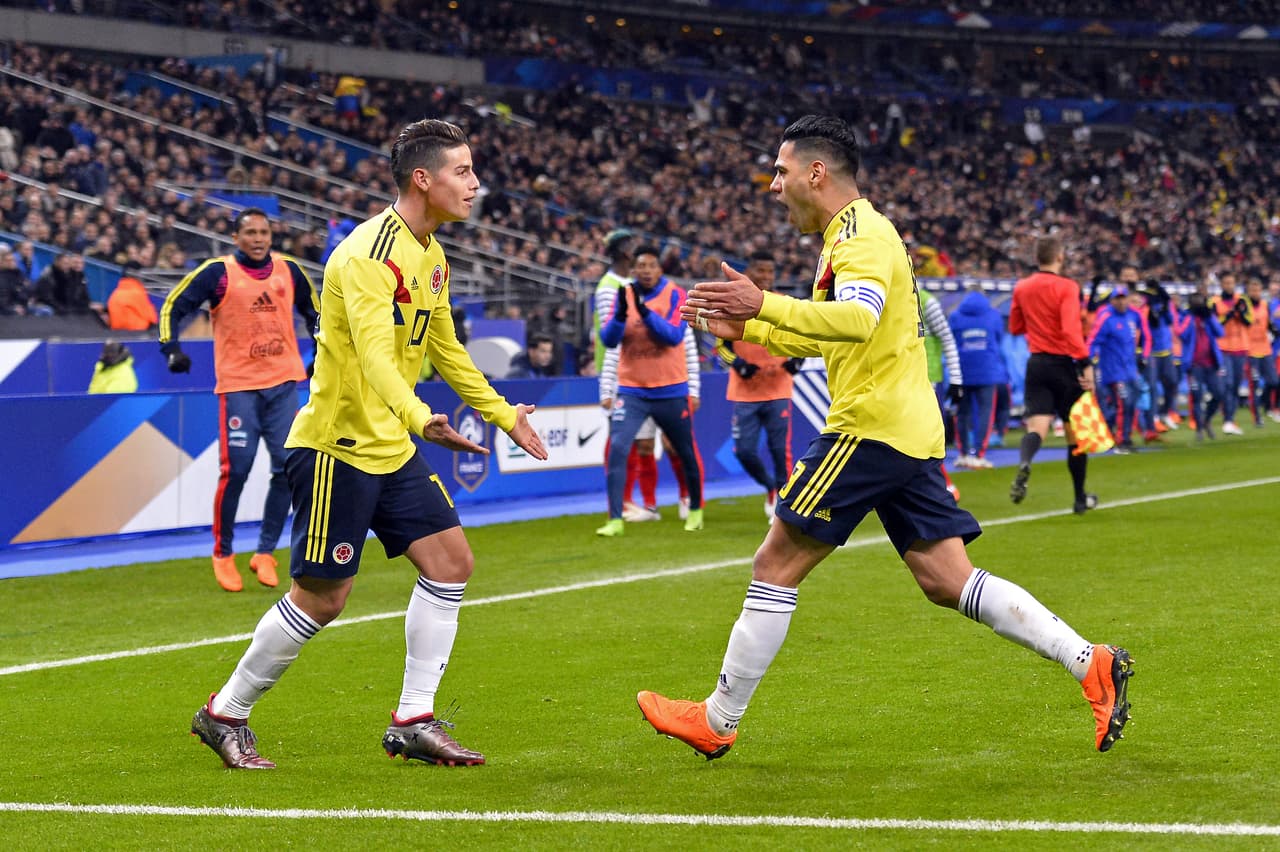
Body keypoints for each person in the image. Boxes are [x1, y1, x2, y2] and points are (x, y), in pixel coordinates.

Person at [637, 115, 1133, 761]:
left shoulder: (863, 235)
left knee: (774, 564)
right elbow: (834, 334)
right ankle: (1089, 662)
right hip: (905, 428)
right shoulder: (852, 236)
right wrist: (750, 331)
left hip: (869, 427)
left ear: (817, 172)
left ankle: (718, 719)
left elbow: (856, 316)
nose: (774, 186)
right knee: (946, 577)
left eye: (781, 172)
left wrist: (763, 306)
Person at [190, 119, 548, 770]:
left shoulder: (431, 256)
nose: (476, 185)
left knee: (450, 563)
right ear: (423, 178)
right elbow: (378, 358)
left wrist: (501, 416)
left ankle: (413, 720)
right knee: (324, 598)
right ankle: (224, 713)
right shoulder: (365, 255)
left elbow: (447, 352)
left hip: (389, 445)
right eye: (463, 171)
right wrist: (418, 416)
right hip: (337, 446)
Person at [159, 207, 320, 592]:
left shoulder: (290, 271)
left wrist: (321, 353)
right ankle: (223, 553)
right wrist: (171, 348)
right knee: (238, 470)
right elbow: (173, 305)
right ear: (236, 238)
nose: (259, 238)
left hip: (283, 384)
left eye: (264, 232)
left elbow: (317, 313)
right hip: (239, 387)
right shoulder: (218, 273)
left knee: (287, 468)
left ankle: (265, 552)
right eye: (250, 232)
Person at [596, 244, 705, 535]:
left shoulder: (675, 294)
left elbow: (672, 336)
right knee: (618, 448)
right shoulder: (624, 294)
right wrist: (620, 317)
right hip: (632, 391)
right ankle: (615, 518)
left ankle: (694, 508)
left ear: (660, 268)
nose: (645, 271)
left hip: (670, 390)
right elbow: (608, 340)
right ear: (633, 269)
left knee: (684, 451)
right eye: (640, 265)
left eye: (651, 265)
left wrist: (643, 313)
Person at [1007, 236, 1098, 514]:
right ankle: (1080, 498)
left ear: (1037, 258)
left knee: (1037, 428)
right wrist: (1085, 363)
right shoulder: (1068, 287)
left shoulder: (1022, 287)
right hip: (1063, 365)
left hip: (1036, 364)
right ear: (1060, 257)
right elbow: (1071, 330)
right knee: (1075, 436)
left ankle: (1025, 461)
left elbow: (1014, 326)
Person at [714, 249, 800, 517]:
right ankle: (770, 487)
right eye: (761, 270)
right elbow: (722, 346)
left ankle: (784, 505)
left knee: (779, 449)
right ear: (749, 272)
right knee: (744, 451)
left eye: (770, 271)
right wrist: (738, 364)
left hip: (778, 387)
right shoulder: (734, 305)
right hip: (745, 391)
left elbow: (803, 335)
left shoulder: (784, 303)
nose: (766, 276)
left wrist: (797, 360)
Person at [947, 285, 1005, 468]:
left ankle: (963, 454)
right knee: (985, 413)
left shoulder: (955, 315)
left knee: (961, 414)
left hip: (962, 371)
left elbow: (951, 341)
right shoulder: (993, 314)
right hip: (987, 370)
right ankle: (978, 455)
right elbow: (999, 337)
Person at [1090, 285, 1147, 453]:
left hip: (1130, 370)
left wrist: (1143, 355)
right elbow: (1093, 341)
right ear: (1112, 300)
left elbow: (1144, 334)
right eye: (1118, 298)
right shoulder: (1106, 318)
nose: (1122, 302)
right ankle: (1121, 440)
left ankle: (1120, 436)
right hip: (1113, 371)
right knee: (1123, 403)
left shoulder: (1133, 316)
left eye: (1124, 298)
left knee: (1129, 404)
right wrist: (1088, 361)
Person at [1179, 291, 1225, 441]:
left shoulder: (1208, 316)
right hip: (1194, 365)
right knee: (1197, 396)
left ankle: (1207, 420)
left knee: (1218, 394)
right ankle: (1199, 428)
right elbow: (1182, 334)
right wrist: (1191, 317)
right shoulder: (1187, 316)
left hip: (1211, 364)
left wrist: (1209, 317)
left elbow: (1220, 332)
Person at [1209, 273, 1250, 435]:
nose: (1229, 285)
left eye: (1231, 282)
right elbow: (1214, 324)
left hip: (1240, 347)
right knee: (1227, 384)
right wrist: (1229, 314)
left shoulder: (1242, 299)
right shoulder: (1214, 302)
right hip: (1223, 348)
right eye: (1226, 283)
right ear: (1221, 284)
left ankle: (1230, 419)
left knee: (1234, 386)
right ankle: (1227, 419)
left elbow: (1249, 321)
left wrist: (1241, 312)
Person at [1244, 278, 1276, 428]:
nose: (1255, 293)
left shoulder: (1264, 305)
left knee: (1274, 381)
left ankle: (1268, 406)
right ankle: (1256, 417)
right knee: (1254, 385)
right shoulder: (1244, 306)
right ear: (1248, 292)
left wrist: (1274, 331)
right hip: (1250, 351)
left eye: (1257, 290)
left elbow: (1268, 324)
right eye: (1252, 290)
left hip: (1265, 349)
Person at [106, 262, 158, 331]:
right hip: (138, 331)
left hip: (117, 331)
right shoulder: (136, 292)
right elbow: (151, 317)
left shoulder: (116, 293)